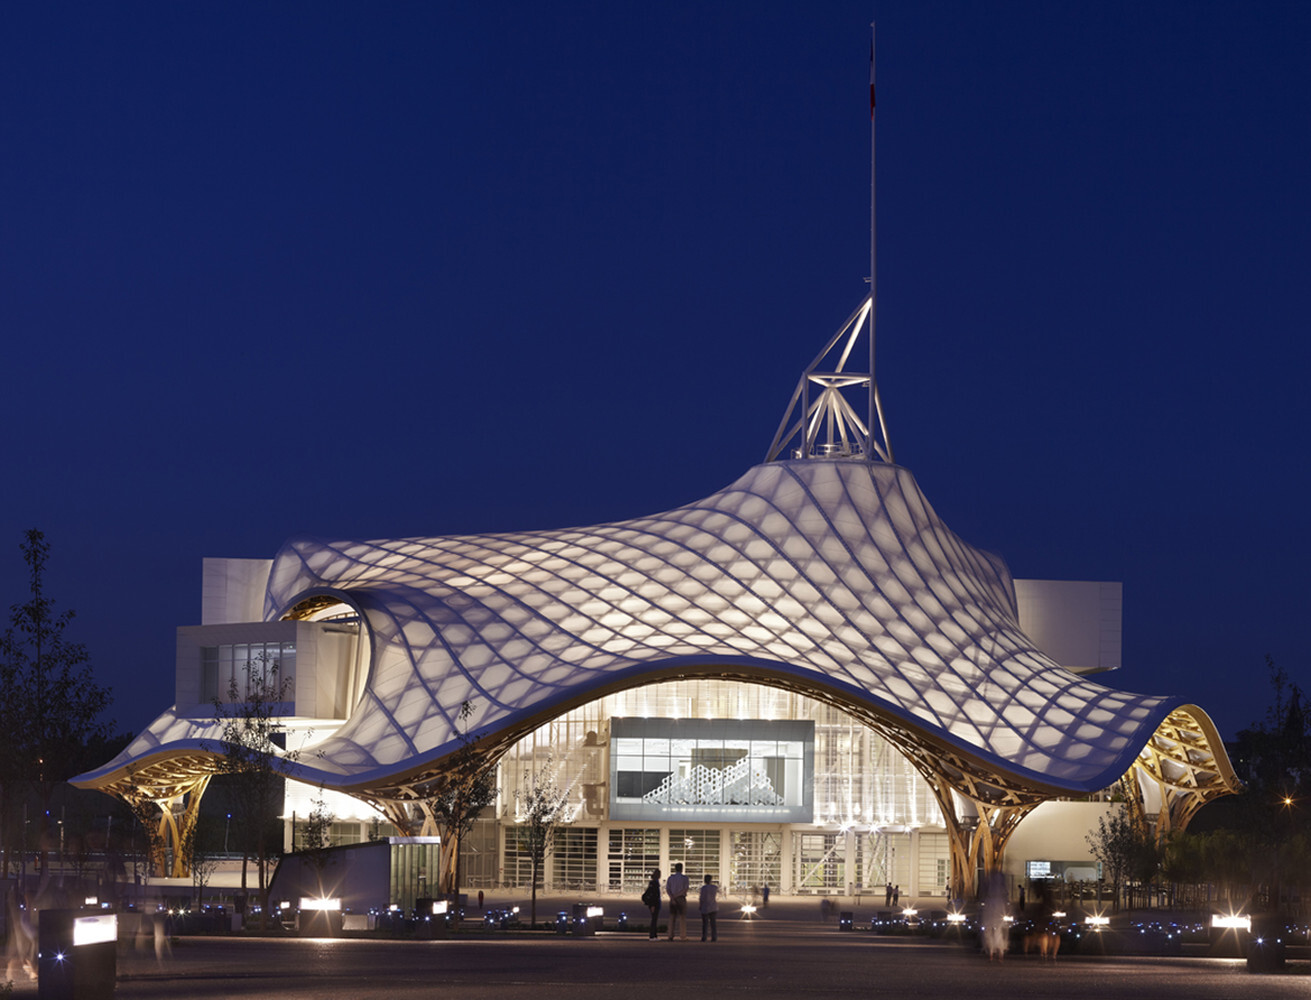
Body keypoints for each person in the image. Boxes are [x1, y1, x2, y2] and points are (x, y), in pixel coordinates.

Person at [666, 862, 690, 940]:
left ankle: (670, 935)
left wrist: (672, 897)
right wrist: (677, 896)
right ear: (682, 869)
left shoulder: (670, 878)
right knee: (682, 917)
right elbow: (685, 889)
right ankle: (683, 936)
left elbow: (668, 889)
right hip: (681, 898)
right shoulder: (685, 878)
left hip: (672, 898)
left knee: (672, 917)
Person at [642, 869, 663, 939]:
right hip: (654, 904)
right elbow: (655, 895)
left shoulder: (653, 882)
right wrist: (653, 905)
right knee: (654, 920)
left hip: (654, 903)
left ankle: (655, 935)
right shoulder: (655, 883)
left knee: (654, 919)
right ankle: (652, 935)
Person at [699, 874, 719, 941]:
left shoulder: (703, 888)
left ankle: (704, 937)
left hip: (705, 907)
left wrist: (700, 906)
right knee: (713, 923)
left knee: (705, 924)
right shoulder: (714, 887)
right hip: (713, 906)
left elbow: (702, 898)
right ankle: (714, 937)